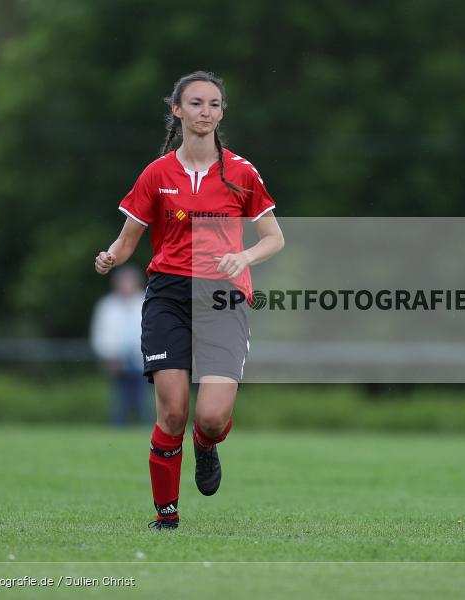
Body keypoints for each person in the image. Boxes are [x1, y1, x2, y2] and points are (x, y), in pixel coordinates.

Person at [94, 71, 285, 530]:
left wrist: (243, 256)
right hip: (168, 296)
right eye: (196, 103)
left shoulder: (241, 172)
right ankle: (166, 516)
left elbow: (274, 238)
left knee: (213, 417)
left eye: (214, 104)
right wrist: (110, 257)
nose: (206, 112)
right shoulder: (157, 174)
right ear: (177, 111)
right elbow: (127, 241)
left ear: (221, 113)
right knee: (173, 410)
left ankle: (207, 444)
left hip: (223, 296)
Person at [90, 265, 150, 426]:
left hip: (142, 360)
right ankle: (118, 428)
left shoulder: (146, 302)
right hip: (117, 361)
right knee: (119, 401)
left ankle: (147, 429)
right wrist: (109, 357)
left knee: (144, 400)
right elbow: (101, 334)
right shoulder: (107, 305)